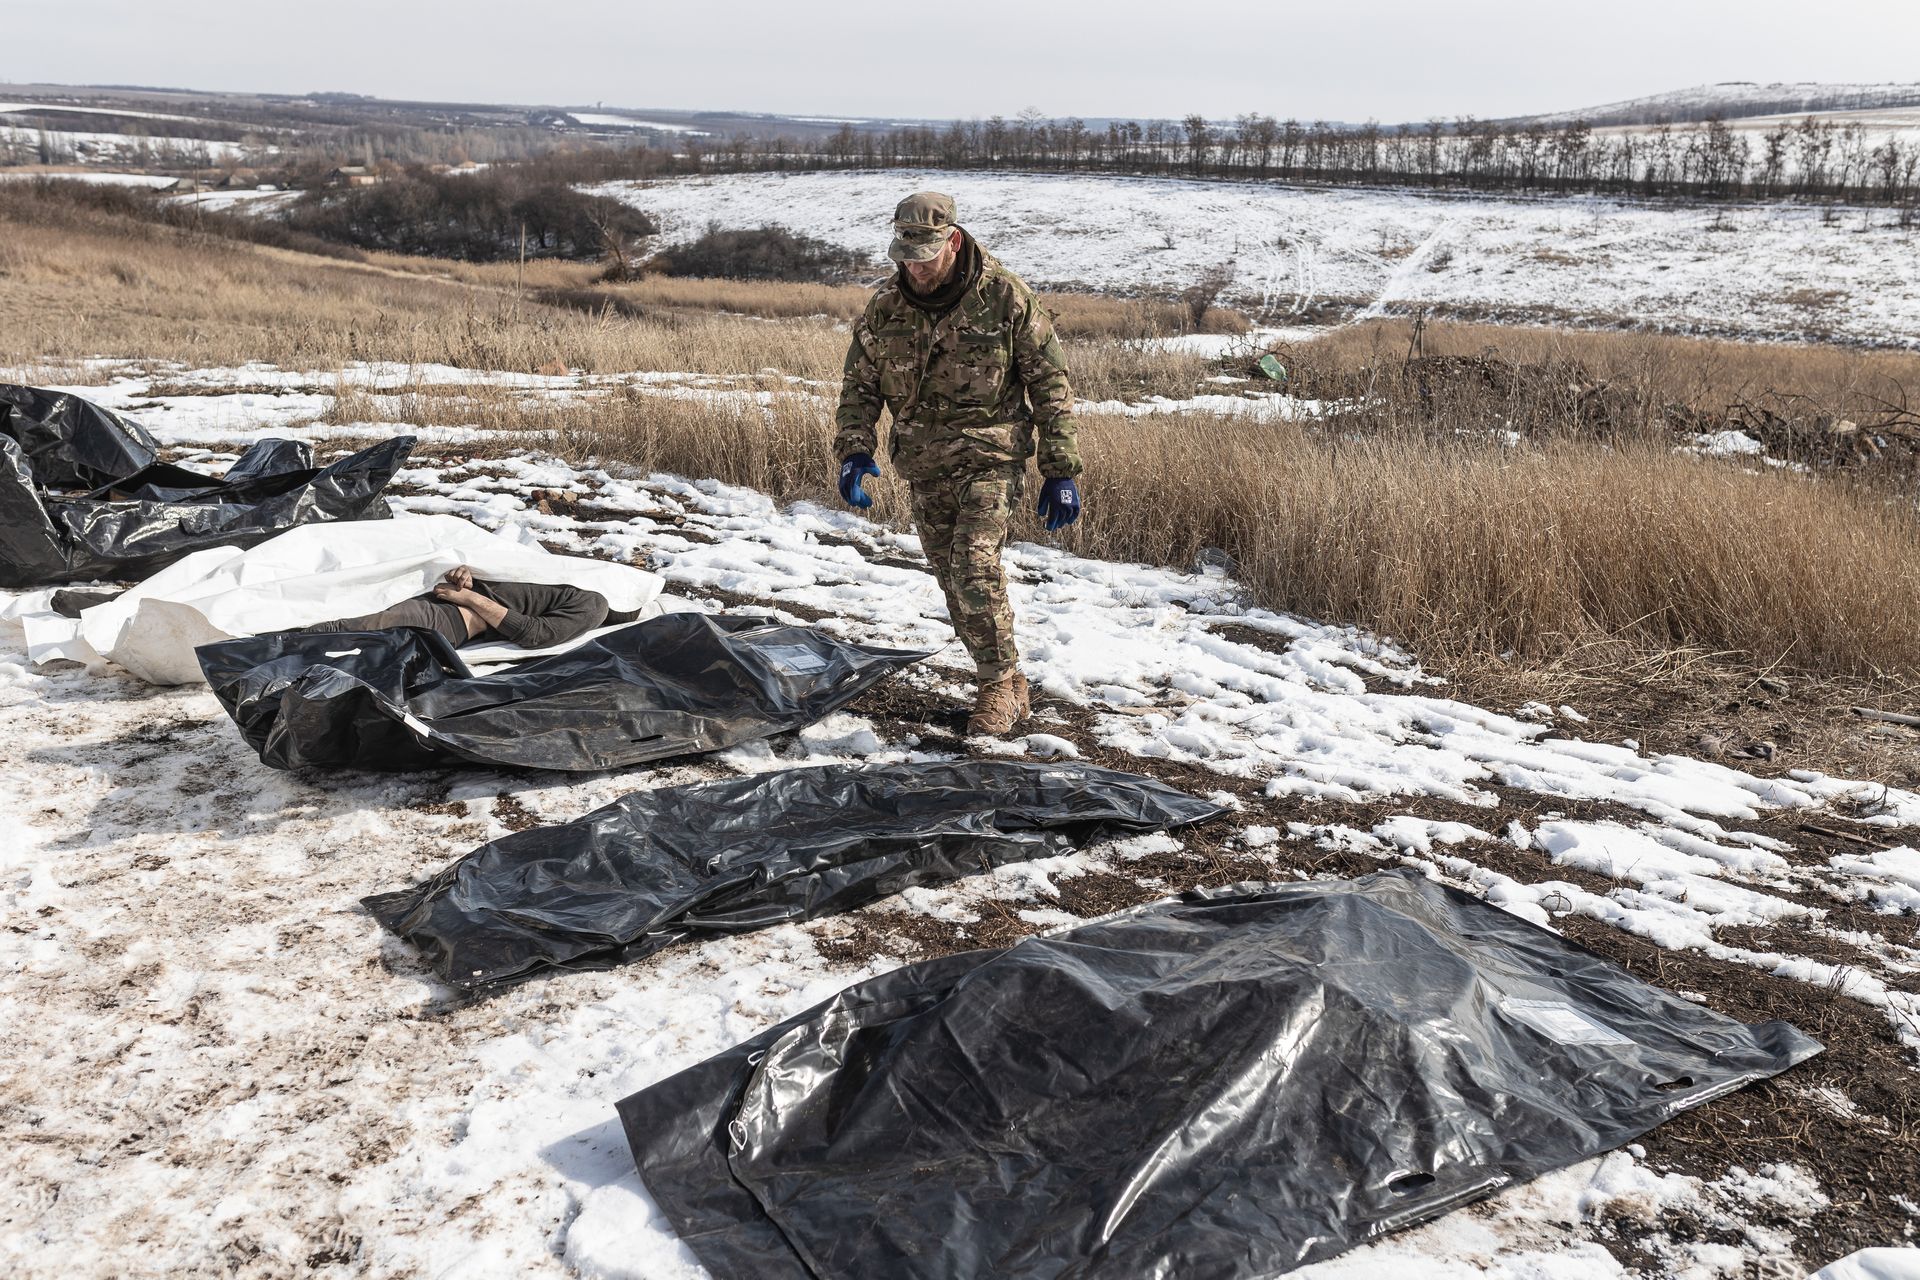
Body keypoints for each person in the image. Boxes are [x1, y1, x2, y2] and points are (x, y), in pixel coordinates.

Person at [834, 191, 1082, 735]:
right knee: (953, 577)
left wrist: (1059, 468)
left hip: (991, 457)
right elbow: (860, 387)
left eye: (925, 254)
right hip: (923, 462)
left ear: (953, 239)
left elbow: (1050, 383)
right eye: (906, 255)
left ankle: (997, 688)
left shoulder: (1005, 298)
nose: (916, 268)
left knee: (973, 566)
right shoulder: (886, 308)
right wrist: (854, 449)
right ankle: (1009, 676)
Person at [302, 565, 629, 650]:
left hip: (448, 616)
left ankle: (264, 643)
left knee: (339, 626)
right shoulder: (571, 575)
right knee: (338, 591)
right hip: (440, 593)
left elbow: (535, 634)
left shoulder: (594, 604)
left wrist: (469, 599)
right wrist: (468, 575)